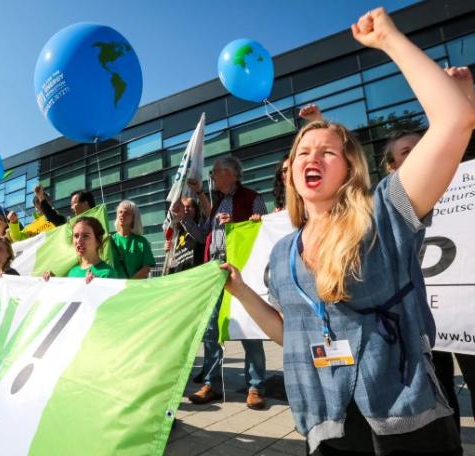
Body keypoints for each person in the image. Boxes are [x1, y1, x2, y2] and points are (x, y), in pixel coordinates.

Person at [221, 10, 475, 454]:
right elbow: (290, 333)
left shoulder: (385, 212)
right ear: (290, 171)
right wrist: (241, 292)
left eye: (326, 152)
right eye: (302, 152)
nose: (310, 158)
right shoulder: (283, 254)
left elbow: (455, 120)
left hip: (406, 421)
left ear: (351, 167)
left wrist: (391, 40)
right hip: (326, 424)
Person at [380, 66, 475, 431]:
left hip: (464, 311)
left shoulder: (462, 178)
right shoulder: (389, 203)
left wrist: (465, 94)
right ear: (391, 166)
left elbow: (459, 133)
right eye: (406, 152)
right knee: (440, 392)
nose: (418, 154)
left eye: (422, 146)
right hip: (420, 314)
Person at [184, 156, 268, 409]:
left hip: (240, 272)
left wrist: (238, 226)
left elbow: (263, 232)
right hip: (215, 270)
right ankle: (210, 383)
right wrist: (184, 220)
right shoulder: (218, 202)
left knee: (247, 329)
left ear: (232, 174)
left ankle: (255, 386)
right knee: (211, 330)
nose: (213, 176)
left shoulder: (253, 198)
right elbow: (202, 235)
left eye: (217, 172)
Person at [43, 217, 117, 282]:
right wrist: (53, 283)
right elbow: (69, 297)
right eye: (76, 236)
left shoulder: (107, 273)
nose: (79, 240)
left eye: (85, 236)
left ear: (98, 240)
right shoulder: (72, 272)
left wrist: (95, 287)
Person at [110, 200, 155, 279]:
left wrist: (130, 283)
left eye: (126, 213)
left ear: (134, 218)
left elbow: (146, 268)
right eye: (120, 212)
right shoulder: (110, 241)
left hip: (136, 288)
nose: (122, 215)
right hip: (115, 288)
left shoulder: (142, 242)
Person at [165, 197, 205, 274]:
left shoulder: (200, 227)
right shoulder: (177, 232)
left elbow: (201, 238)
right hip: (178, 275)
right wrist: (168, 247)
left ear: (195, 210)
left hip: (194, 274)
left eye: (188, 206)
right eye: (183, 207)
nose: (185, 209)